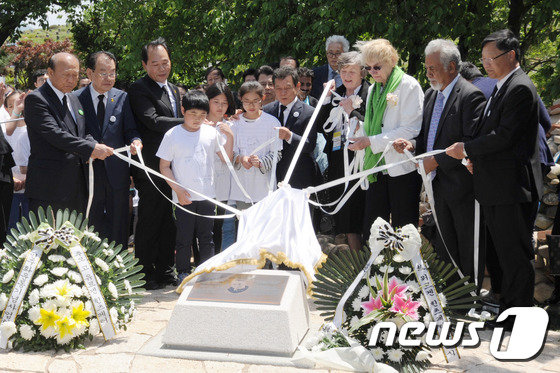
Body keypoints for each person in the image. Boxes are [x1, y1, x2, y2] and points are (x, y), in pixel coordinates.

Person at [446, 30, 542, 318]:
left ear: (511, 55)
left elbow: (505, 137)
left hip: (511, 186)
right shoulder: (501, 85)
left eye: (492, 57)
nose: (486, 64)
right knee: (502, 252)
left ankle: (519, 314)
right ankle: (508, 308)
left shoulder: (520, 87)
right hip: (495, 183)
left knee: (514, 253)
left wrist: (467, 149)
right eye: (483, 58)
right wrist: (476, 158)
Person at [394, 40, 486, 286]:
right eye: (426, 68)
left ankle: (469, 298)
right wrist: (413, 145)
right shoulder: (432, 94)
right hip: (438, 186)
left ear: (452, 67)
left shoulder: (470, 95)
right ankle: (451, 298)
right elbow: (429, 136)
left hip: (463, 185)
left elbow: (469, 142)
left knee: (467, 243)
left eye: (433, 68)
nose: (428, 73)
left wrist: (436, 162)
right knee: (445, 244)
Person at [348, 39, 423, 241]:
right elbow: (375, 126)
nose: (372, 72)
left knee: (404, 227)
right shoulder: (373, 89)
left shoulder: (409, 85)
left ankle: (405, 271)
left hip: (401, 167)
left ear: (391, 60)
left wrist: (370, 141)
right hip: (377, 167)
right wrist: (358, 129)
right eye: (368, 68)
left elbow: (410, 128)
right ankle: (375, 271)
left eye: (377, 67)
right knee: (373, 228)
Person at [157, 90, 233, 285]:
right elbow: (164, 166)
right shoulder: (172, 135)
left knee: (207, 237)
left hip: (207, 196)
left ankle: (206, 271)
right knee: (184, 238)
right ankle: (183, 272)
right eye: (193, 114)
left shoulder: (211, 133)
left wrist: (230, 137)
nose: (197, 119)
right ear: (183, 110)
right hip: (184, 198)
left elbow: (226, 159)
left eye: (202, 115)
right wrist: (178, 190)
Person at [24, 52, 113, 214]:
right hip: (49, 188)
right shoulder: (37, 100)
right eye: (66, 75)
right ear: (50, 73)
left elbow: (83, 131)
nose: (71, 80)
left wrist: (93, 143)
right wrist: (90, 148)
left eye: (75, 75)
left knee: (75, 236)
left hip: (76, 186)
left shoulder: (73, 98)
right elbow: (56, 135)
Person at [128, 38, 184, 290]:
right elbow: (151, 120)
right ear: (144, 64)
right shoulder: (139, 88)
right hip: (149, 165)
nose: (162, 68)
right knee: (150, 218)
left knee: (168, 219)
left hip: (172, 165)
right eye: (155, 64)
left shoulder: (173, 89)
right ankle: (144, 271)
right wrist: (187, 122)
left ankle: (165, 270)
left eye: (165, 63)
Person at [75, 51, 142, 249]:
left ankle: (119, 273)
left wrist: (136, 141)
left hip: (117, 173)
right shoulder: (76, 98)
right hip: (87, 173)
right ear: (89, 72)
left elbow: (130, 130)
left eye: (112, 73)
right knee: (89, 222)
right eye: (103, 72)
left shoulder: (122, 97)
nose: (109, 78)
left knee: (119, 223)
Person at [316, 51, 370, 251]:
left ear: (362, 73)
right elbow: (321, 126)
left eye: (352, 72)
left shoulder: (370, 93)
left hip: (362, 162)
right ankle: (353, 264)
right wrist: (326, 99)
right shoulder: (335, 93)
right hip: (339, 161)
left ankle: (366, 262)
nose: (347, 76)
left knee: (362, 215)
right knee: (345, 218)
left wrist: (351, 111)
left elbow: (372, 125)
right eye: (343, 71)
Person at [263, 67, 319, 189]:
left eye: (287, 88)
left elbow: (310, 145)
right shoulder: (267, 111)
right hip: (272, 179)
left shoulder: (309, 112)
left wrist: (290, 136)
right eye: (279, 88)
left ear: (297, 86)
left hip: (299, 178)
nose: (283, 93)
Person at [231, 81, 282, 209]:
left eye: (255, 100)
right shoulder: (235, 123)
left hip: (264, 186)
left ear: (262, 99)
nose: (251, 105)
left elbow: (277, 153)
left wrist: (261, 162)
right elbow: (230, 152)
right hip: (242, 185)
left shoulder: (272, 122)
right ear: (241, 100)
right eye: (247, 101)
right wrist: (241, 159)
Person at [205, 82, 236, 251]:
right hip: (201, 181)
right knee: (201, 226)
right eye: (216, 101)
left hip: (223, 183)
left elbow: (228, 158)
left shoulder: (232, 125)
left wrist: (229, 134)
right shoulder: (198, 123)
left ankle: (215, 260)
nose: (220, 107)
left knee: (218, 226)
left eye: (224, 103)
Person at [3, 91, 30, 228]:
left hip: (30, 189)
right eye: (11, 105)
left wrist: (27, 179)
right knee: (10, 226)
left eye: (20, 104)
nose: (16, 108)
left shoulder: (33, 130)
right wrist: (12, 180)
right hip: (10, 188)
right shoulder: (4, 132)